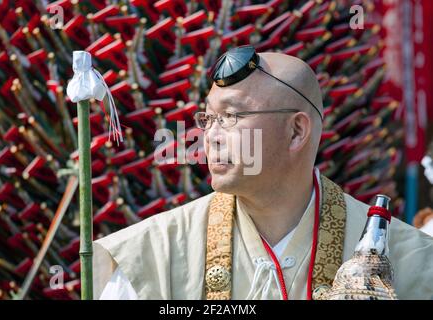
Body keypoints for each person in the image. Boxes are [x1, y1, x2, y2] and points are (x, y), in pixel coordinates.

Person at [93, 46, 433, 300]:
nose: (210, 136)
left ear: (297, 131)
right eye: (208, 118)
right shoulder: (154, 256)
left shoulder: (413, 262)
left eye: (231, 116)